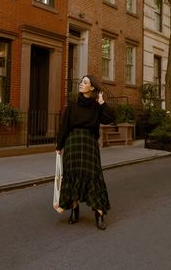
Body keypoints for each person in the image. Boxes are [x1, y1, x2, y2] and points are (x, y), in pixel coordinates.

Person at [55, 75, 115, 230]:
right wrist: (59, 146)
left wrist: (102, 103)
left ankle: (99, 214)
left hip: (89, 146)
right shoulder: (72, 107)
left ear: (92, 87)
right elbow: (64, 127)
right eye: (81, 82)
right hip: (73, 145)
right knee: (73, 176)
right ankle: (74, 211)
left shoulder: (96, 107)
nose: (81, 84)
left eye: (85, 82)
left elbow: (110, 118)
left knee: (94, 177)